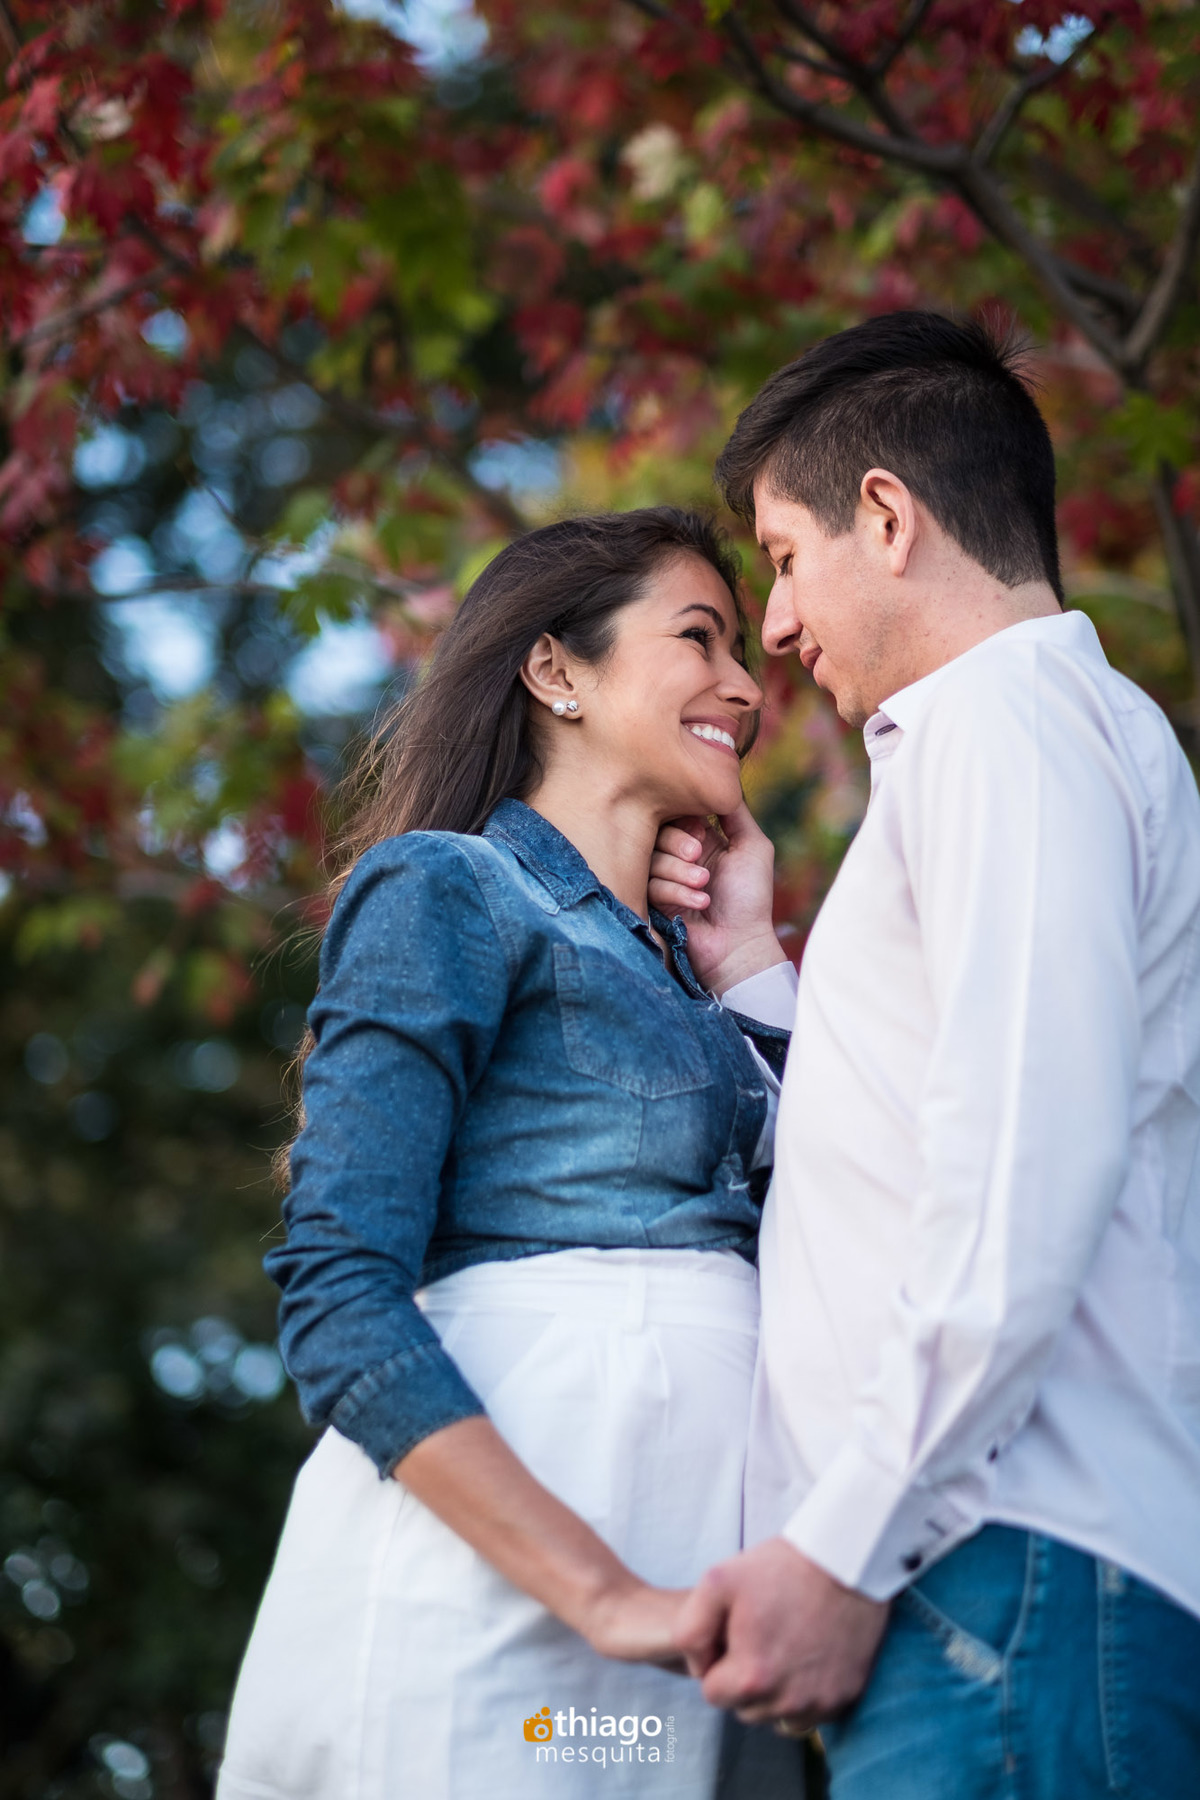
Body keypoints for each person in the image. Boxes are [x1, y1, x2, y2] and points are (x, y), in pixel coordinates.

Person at [648, 312, 1200, 1797]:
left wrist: (843, 1544)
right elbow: (909, 1134)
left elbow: (1025, 1165)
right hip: (988, 1577)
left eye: (782, 557)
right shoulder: (1036, 736)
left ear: (886, 517)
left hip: (1002, 1574)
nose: (774, 626)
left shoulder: (1005, 721)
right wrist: (753, 967)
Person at [216, 507, 805, 1800]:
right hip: (490, 1599)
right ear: (554, 671)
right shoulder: (450, 890)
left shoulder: (704, 984)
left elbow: (836, 1231)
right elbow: (339, 1296)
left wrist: (752, 957)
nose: (745, 686)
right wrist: (603, 1595)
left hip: (683, 1606)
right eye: (698, 637)